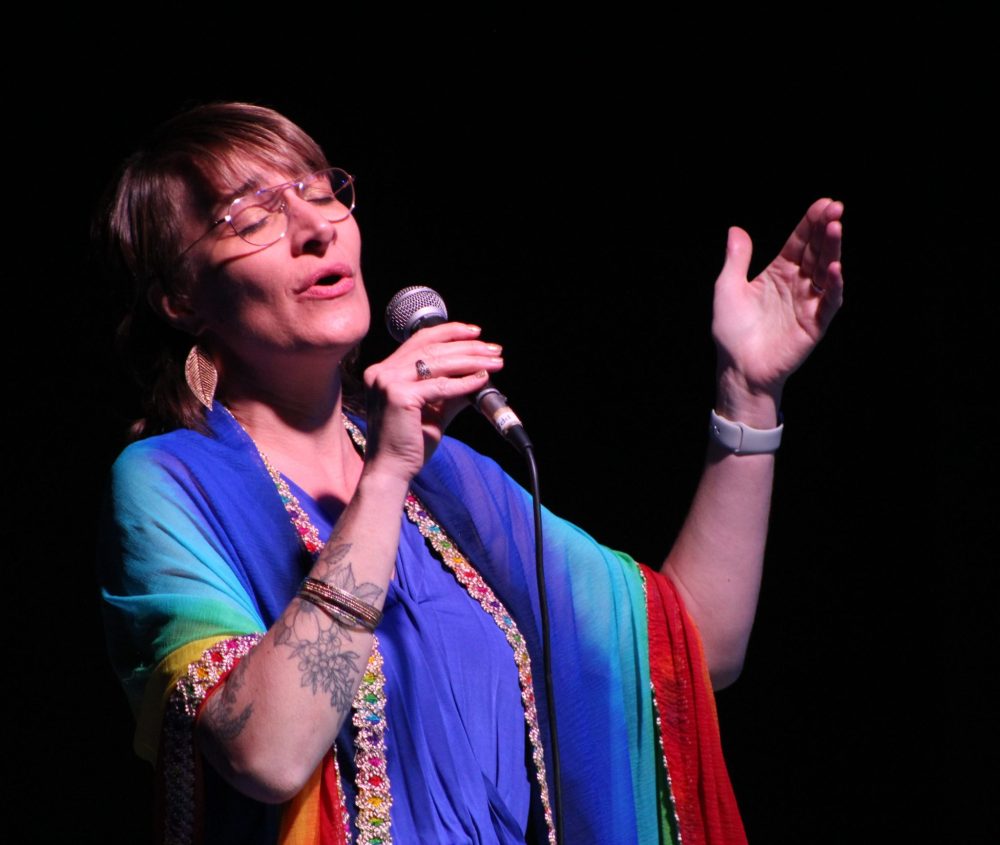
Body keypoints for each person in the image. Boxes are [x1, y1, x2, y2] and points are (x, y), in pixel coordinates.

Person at [98, 102, 843, 845]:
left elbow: (691, 651)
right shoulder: (169, 482)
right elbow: (266, 753)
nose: (315, 226)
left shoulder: (449, 479)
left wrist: (748, 397)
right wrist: (384, 478)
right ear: (181, 299)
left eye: (318, 190)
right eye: (252, 216)